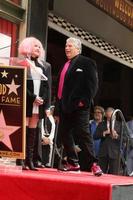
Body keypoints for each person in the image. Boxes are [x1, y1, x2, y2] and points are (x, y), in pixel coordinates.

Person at [54, 37, 103, 176]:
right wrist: (58, 109)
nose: (66, 48)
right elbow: (59, 89)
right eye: (65, 46)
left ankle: (94, 164)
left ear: (78, 48)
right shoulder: (65, 65)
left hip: (80, 106)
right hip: (64, 107)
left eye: (70, 46)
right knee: (64, 133)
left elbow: (93, 85)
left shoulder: (87, 62)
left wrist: (83, 102)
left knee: (83, 133)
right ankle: (73, 163)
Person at [18, 37, 50, 170]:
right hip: (27, 101)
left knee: (32, 133)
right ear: (28, 47)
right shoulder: (22, 64)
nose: (38, 48)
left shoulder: (42, 66)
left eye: (39, 46)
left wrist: (42, 98)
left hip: (38, 103)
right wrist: (33, 97)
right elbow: (21, 85)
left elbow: (46, 86)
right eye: (35, 46)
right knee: (24, 132)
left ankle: (30, 160)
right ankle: (21, 159)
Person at [94, 107, 120, 175]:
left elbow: (126, 139)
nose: (109, 119)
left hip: (115, 153)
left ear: (114, 115)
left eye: (111, 117)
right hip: (103, 152)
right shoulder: (101, 124)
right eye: (108, 117)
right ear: (106, 115)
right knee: (100, 174)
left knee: (114, 175)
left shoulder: (120, 125)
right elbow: (95, 136)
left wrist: (117, 136)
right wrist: (104, 133)